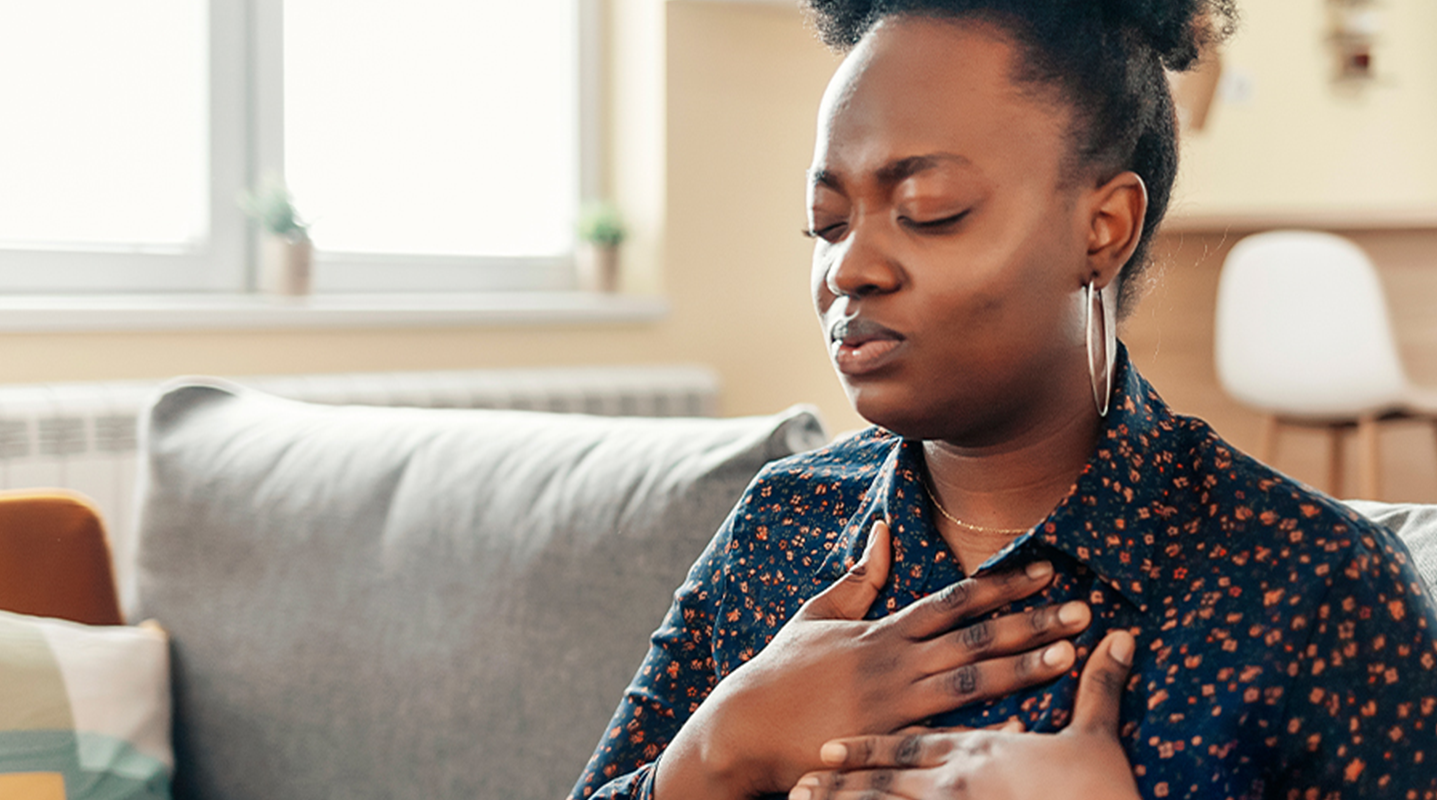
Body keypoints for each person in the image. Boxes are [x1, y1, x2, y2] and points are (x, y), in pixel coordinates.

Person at [570, 1, 1437, 798]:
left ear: (1102, 230)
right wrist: (718, 750)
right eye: (827, 222)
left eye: (929, 210)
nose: (848, 267)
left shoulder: (1315, 589)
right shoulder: (780, 527)